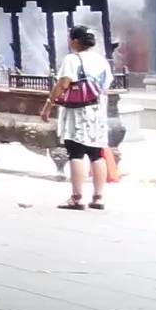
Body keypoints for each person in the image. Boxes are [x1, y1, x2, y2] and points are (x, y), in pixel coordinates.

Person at [43, 24, 113, 210]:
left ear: (74, 41)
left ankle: (76, 197)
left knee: (77, 153)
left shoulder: (72, 59)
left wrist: (49, 103)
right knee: (97, 154)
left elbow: (63, 83)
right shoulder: (101, 60)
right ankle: (98, 197)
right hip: (98, 110)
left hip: (78, 112)